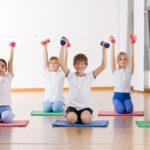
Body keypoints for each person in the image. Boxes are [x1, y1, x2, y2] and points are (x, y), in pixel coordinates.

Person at [59, 37, 107, 124]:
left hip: (85, 107)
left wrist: (104, 50)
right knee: (71, 120)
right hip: (72, 106)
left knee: (86, 120)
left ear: (86, 65)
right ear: (74, 65)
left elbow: (103, 66)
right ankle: (70, 114)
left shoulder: (90, 76)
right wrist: (62, 46)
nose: (79, 66)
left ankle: (84, 116)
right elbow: (61, 63)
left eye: (82, 64)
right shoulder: (71, 76)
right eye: (77, 64)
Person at [110, 35, 137, 114]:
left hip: (127, 97)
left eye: (125, 59)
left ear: (127, 61)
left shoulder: (129, 71)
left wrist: (132, 44)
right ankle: (117, 106)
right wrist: (113, 44)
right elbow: (112, 58)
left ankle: (124, 105)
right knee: (121, 111)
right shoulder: (115, 71)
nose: (123, 61)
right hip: (117, 97)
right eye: (120, 59)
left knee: (129, 110)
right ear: (117, 61)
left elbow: (132, 58)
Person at [42, 38, 69, 113]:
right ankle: (50, 105)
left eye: (55, 63)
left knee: (56, 109)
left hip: (58, 99)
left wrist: (64, 47)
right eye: (51, 63)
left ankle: (61, 106)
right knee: (46, 110)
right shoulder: (47, 72)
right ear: (48, 65)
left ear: (59, 65)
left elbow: (64, 60)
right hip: (48, 98)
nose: (53, 65)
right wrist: (45, 46)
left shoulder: (61, 73)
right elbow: (45, 58)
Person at [0, 42, 15, 123]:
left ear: (6, 69)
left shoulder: (8, 77)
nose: (0, 68)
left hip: (5, 107)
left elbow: (10, 62)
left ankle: (10, 115)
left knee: (6, 118)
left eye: (2, 66)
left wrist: (11, 48)